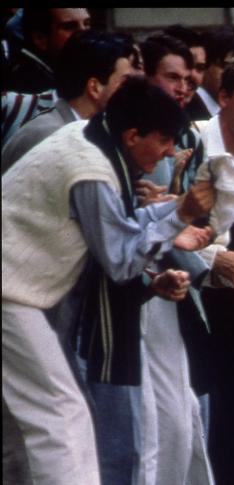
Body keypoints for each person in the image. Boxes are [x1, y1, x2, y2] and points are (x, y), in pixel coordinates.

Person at [2, 76, 215, 485]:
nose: (171, 151)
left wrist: (167, 216)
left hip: (19, 291)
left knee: (45, 417)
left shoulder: (87, 137)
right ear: (133, 136)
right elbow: (119, 259)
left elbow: (117, 227)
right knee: (59, 413)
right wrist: (178, 216)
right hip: (10, 292)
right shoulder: (91, 167)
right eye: (165, 140)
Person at [3, 30, 136, 170]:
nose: (131, 90)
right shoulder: (47, 135)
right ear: (94, 87)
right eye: (124, 82)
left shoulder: (94, 132)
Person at [2, 8, 90, 94]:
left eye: (87, 24)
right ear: (40, 39)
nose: (86, 35)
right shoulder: (25, 92)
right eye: (69, 27)